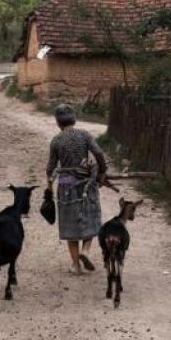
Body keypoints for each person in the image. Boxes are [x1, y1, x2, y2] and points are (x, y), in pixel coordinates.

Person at [46, 103, 107, 274]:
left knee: (70, 224)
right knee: (90, 217)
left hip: (66, 187)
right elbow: (99, 153)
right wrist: (102, 171)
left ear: (58, 123)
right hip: (86, 184)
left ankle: (76, 265)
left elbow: (50, 168)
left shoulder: (56, 141)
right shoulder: (85, 135)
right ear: (74, 118)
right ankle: (85, 250)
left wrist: (49, 188)